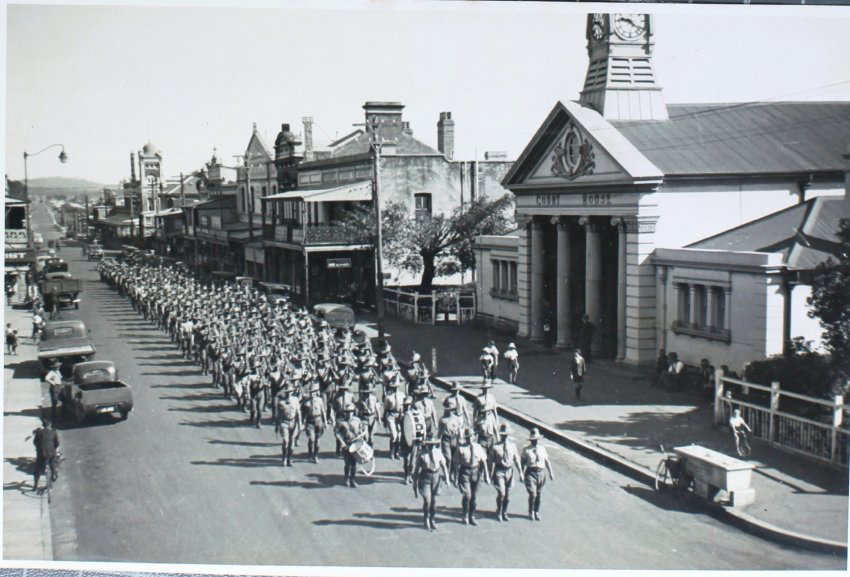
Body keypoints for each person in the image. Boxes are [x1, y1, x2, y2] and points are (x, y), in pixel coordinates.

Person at [451, 428, 490, 526]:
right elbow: (455, 464)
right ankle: (465, 515)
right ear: (465, 438)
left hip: (475, 472)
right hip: (465, 472)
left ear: (475, 436)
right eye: (468, 437)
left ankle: (471, 516)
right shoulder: (461, 448)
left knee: (474, 497)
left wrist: (487, 475)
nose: (470, 439)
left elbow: (483, 461)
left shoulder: (478, 447)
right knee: (467, 495)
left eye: (472, 436)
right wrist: (455, 478)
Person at [413, 435, 449, 531]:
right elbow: (416, 470)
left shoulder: (438, 453)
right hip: (425, 477)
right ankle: (426, 519)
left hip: (436, 477)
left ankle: (432, 519)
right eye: (430, 445)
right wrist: (414, 484)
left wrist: (447, 479)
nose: (432, 447)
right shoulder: (421, 454)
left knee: (434, 501)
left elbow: (444, 466)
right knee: (427, 500)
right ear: (426, 445)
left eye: (433, 445)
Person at [489, 423, 523, 521]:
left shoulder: (512, 446)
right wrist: (490, 474)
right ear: (500, 435)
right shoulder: (495, 447)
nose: (504, 436)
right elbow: (491, 461)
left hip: (509, 471)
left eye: (506, 434)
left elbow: (516, 459)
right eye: (503, 434)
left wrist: (520, 472)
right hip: (499, 471)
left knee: (507, 495)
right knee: (502, 493)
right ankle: (499, 511)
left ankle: (504, 511)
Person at [521, 427, 555, 521]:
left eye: (536, 440)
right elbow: (522, 461)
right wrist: (521, 472)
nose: (534, 442)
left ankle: (536, 512)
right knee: (533, 494)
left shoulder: (542, 449)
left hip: (541, 473)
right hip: (530, 473)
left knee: (539, 494)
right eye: (533, 440)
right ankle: (531, 511)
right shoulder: (526, 449)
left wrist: (551, 472)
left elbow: (547, 460)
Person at [334, 403, 365, 488]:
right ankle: (346, 478)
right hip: (346, 444)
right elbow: (336, 433)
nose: (349, 413)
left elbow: (362, 430)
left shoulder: (357, 420)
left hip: (355, 444)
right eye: (347, 412)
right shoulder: (341, 422)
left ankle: (352, 480)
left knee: (354, 464)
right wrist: (341, 442)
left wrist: (362, 435)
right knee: (347, 463)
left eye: (351, 411)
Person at [275, 385, 301, 467]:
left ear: (292, 392)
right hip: (284, 423)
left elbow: (298, 413)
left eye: (290, 392)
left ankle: (290, 458)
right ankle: (284, 458)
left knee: (292, 441)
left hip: (293, 423)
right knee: (286, 441)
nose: (288, 394)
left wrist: (300, 424)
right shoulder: (281, 402)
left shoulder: (296, 400)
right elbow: (278, 415)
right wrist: (276, 425)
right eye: (287, 393)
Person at [32, 418, 60, 492]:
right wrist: (53, 448)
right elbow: (57, 443)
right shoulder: (54, 432)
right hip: (51, 453)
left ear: (43, 425)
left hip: (41, 453)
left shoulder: (39, 432)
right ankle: (53, 474)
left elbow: (35, 442)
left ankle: (35, 486)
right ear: (49, 425)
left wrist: (38, 448)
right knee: (52, 463)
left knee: (37, 470)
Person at [302, 384, 327, 463]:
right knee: (311, 439)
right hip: (310, 421)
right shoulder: (306, 402)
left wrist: (325, 421)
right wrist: (302, 423)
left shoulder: (320, 400)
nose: (312, 394)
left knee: (318, 441)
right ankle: (310, 454)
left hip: (318, 420)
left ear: (316, 392)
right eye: (311, 392)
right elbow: (304, 414)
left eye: (314, 392)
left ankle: (316, 455)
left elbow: (323, 411)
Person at [474, 382, 500, 451]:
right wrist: (474, 420)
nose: (486, 390)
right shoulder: (478, 397)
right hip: (481, 416)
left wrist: (497, 419)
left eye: (487, 389)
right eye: (485, 389)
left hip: (490, 416)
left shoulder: (492, 397)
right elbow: (475, 410)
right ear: (482, 389)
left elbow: (494, 409)